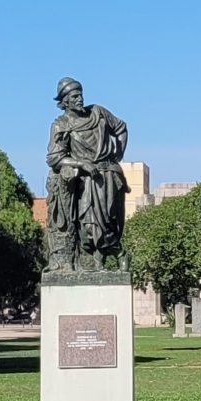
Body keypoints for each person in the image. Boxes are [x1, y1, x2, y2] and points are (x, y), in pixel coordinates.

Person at [46, 77, 129, 272]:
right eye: (74, 96)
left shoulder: (98, 113)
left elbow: (121, 128)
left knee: (109, 222)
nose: (79, 99)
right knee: (88, 227)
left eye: (81, 95)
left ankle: (117, 255)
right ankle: (104, 259)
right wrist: (81, 163)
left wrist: (119, 152)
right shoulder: (61, 125)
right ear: (65, 101)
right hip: (87, 181)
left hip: (109, 176)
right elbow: (54, 158)